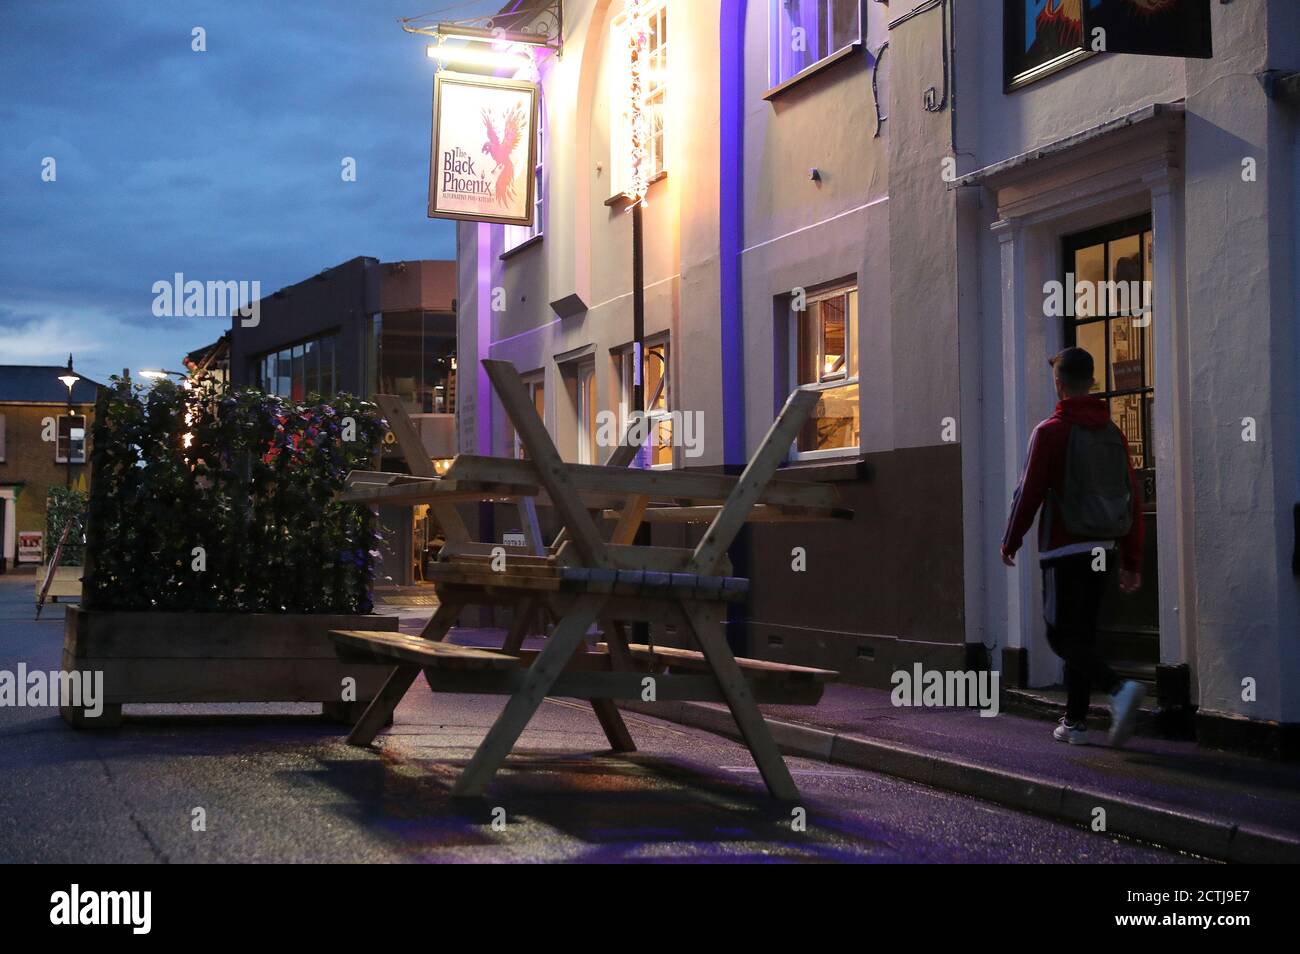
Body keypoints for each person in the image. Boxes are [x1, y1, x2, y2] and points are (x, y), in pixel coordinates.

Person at [1001, 347, 1147, 747]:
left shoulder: (1049, 431)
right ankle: (1076, 722)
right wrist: (1133, 558)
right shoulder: (1112, 432)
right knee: (1083, 633)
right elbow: (1132, 496)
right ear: (1093, 381)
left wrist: (1011, 540)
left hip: (1064, 550)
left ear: (1058, 384)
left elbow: (1028, 493)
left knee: (1060, 636)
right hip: (1105, 548)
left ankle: (1118, 689)